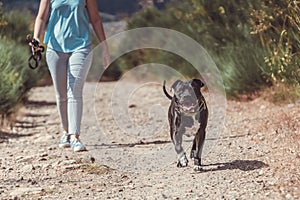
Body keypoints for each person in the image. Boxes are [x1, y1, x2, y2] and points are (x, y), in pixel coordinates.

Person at [30, 0, 110, 152]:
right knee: (61, 94)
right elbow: (41, 17)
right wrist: (36, 38)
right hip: (55, 47)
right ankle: (66, 132)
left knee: (74, 90)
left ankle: (75, 136)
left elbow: (96, 19)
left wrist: (104, 46)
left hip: (81, 46)